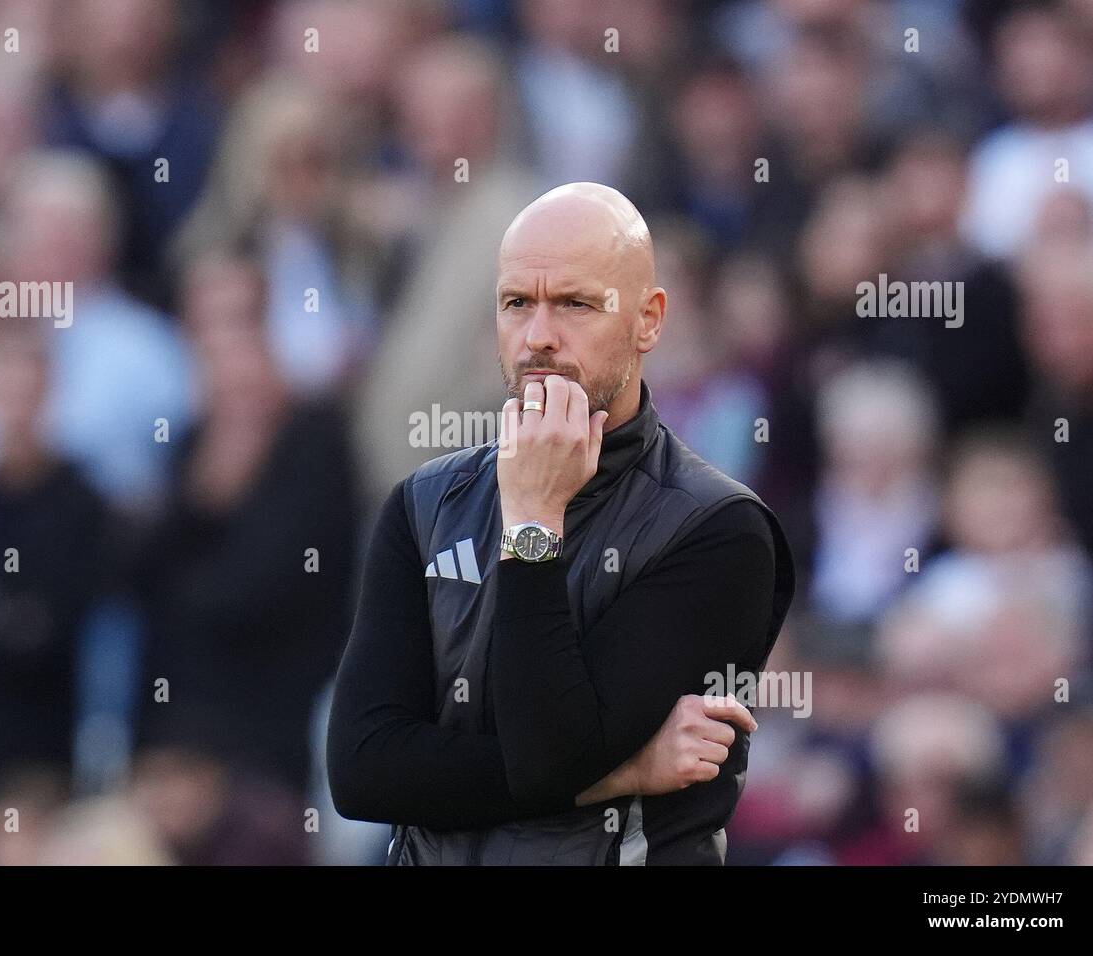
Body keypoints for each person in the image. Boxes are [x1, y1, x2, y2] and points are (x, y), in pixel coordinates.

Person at [326, 183, 795, 865]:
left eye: (575, 304)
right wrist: (623, 773)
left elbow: (548, 755)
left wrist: (532, 524)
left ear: (649, 319)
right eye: (517, 303)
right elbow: (365, 773)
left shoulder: (719, 530)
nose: (539, 336)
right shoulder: (422, 506)